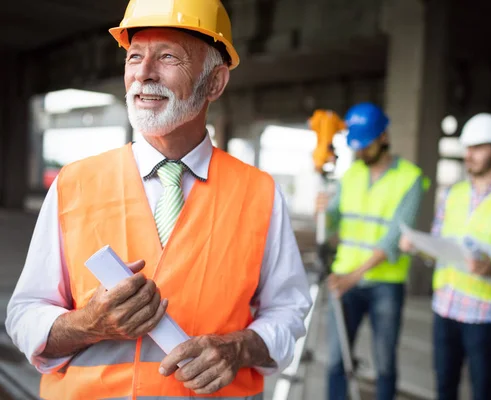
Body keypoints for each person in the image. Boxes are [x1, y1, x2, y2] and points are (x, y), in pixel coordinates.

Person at [5, 0, 312, 399]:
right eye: (135, 57)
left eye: (168, 56)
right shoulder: (73, 183)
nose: (143, 74)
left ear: (215, 83)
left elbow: (288, 312)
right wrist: (88, 323)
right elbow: (25, 314)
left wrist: (239, 348)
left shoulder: (259, 193)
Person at [400, 113, 491, 400]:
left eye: (478, 148)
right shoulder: (453, 194)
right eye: (467, 148)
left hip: (484, 316)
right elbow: (439, 246)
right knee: (444, 389)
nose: (469, 155)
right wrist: (417, 245)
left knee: (483, 391)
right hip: (445, 308)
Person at [316, 102, 429, 400]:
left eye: (366, 146)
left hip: (384, 285)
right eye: (357, 146)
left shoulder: (410, 178)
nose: (361, 152)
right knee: (337, 361)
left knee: (385, 363)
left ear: (384, 137)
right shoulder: (351, 174)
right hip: (345, 279)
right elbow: (332, 226)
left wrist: (354, 276)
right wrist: (323, 213)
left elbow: (393, 239)